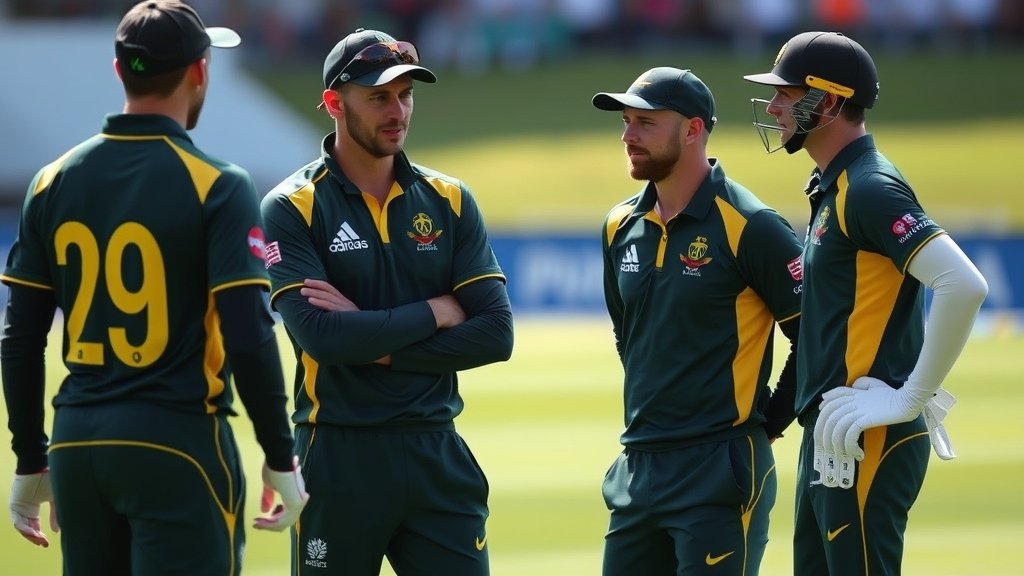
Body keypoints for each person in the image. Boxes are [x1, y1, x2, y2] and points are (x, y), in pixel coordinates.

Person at [1, 1, 308, 574]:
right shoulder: (218, 184)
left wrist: (28, 457)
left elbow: (19, 337)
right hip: (177, 442)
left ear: (120, 72)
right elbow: (248, 332)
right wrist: (279, 454)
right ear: (199, 71)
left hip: (78, 446)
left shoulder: (50, 181)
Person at [259, 28, 514, 576]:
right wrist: (436, 312)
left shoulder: (448, 199)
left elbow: (496, 334)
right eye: (378, 97)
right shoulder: (291, 206)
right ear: (334, 103)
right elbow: (322, 338)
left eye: (405, 95)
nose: (397, 111)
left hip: (435, 450)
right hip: (337, 455)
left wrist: (371, 339)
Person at [744, 31, 988, 575]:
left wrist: (907, 400)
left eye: (787, 93)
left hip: (867, 435)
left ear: (828, 102)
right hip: (835, 433)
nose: (776, 106)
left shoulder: (869, 188)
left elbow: (964, 284)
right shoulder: (833, 184)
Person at [592, 66, 804, 576]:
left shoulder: (752, 226)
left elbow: (816, 336)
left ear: (692, 129)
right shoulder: (620, 225)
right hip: (638, 470)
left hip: (720, 470)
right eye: (625, 121)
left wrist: (766, 425)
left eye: (645, 122)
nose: (628, 135)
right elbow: (630, 336)